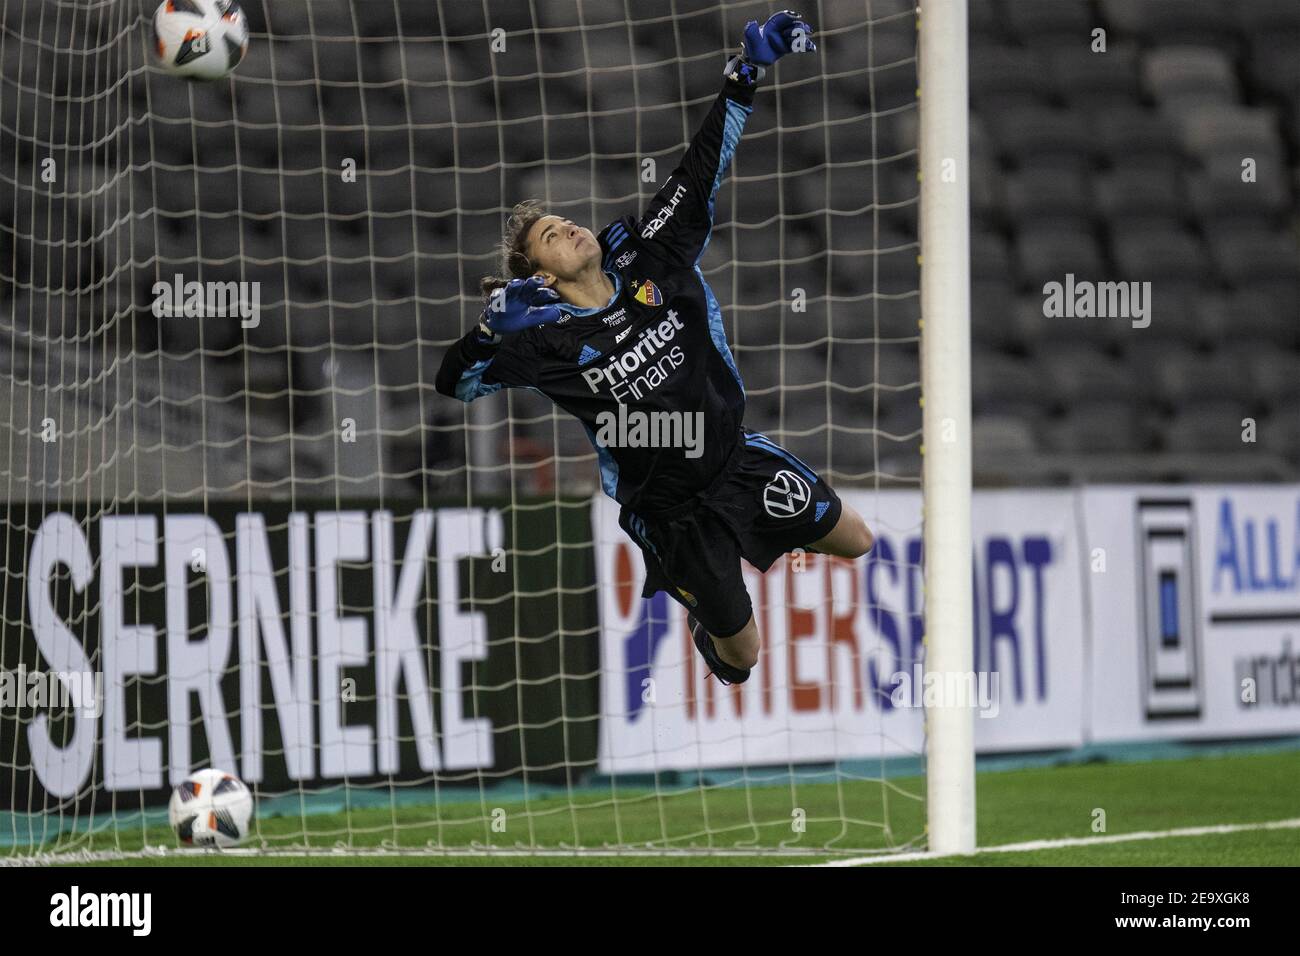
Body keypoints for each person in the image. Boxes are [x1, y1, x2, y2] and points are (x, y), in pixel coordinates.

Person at [437, 11, 874, 685]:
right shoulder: (544, 339)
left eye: (566, 220)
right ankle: (707, 623)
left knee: (858, 542)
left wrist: (747, 71)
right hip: (670, 514)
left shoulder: (653, 256)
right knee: (744, 656)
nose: (570, 228)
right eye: (551, 235)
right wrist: (489, 333)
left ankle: (755, 545)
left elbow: (701, 168)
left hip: (735, 461)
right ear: (542, 275)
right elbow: (455, 385)